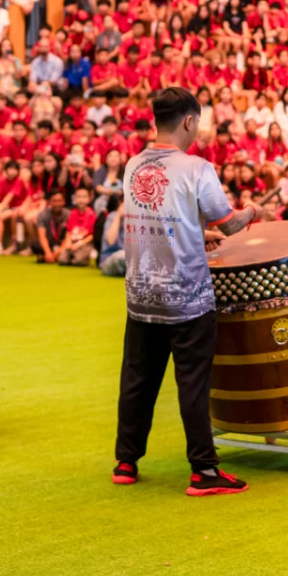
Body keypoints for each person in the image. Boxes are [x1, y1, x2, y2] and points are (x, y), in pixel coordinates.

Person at [112, 87, 258, 496]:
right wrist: (253, 213)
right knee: (193, 382)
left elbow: (162, 217)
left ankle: (126, 461)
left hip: (141, 293)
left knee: (137, 380)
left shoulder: (133, 165)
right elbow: (230, 223)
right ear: (190, 121)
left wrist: (197, 234)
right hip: (185, 295)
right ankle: (204, 470)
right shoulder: (197, 167)